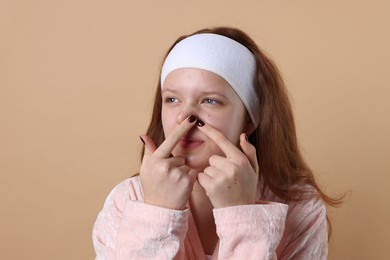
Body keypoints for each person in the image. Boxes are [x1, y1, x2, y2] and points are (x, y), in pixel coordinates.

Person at [92, 26, 341, 259]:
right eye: (172, 100)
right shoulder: (128, 200)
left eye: (210, 101)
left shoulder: (301, 209)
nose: (185, 117)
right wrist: (157, 214)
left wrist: (241, 216)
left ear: (249, 120)